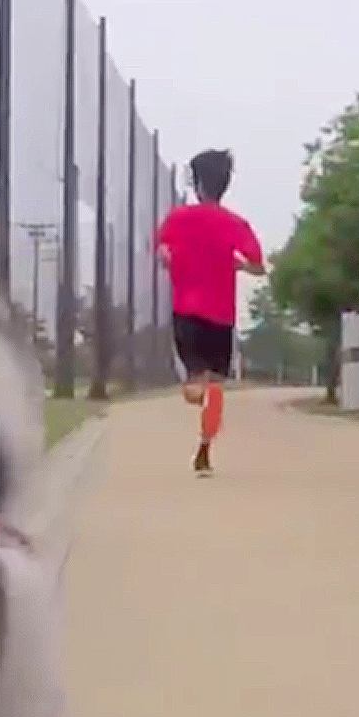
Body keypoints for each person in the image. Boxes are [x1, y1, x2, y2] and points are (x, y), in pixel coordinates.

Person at [155, 149, 265, 475]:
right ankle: (204, 450)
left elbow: (163, 253)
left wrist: (172, 260)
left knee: (194, 385)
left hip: (186, 311)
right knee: (216, 387)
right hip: (221, 317)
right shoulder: (235, 224)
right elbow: (259, 266)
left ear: (197, 182)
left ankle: (196, 389)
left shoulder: (177, 218)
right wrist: (238, 265)